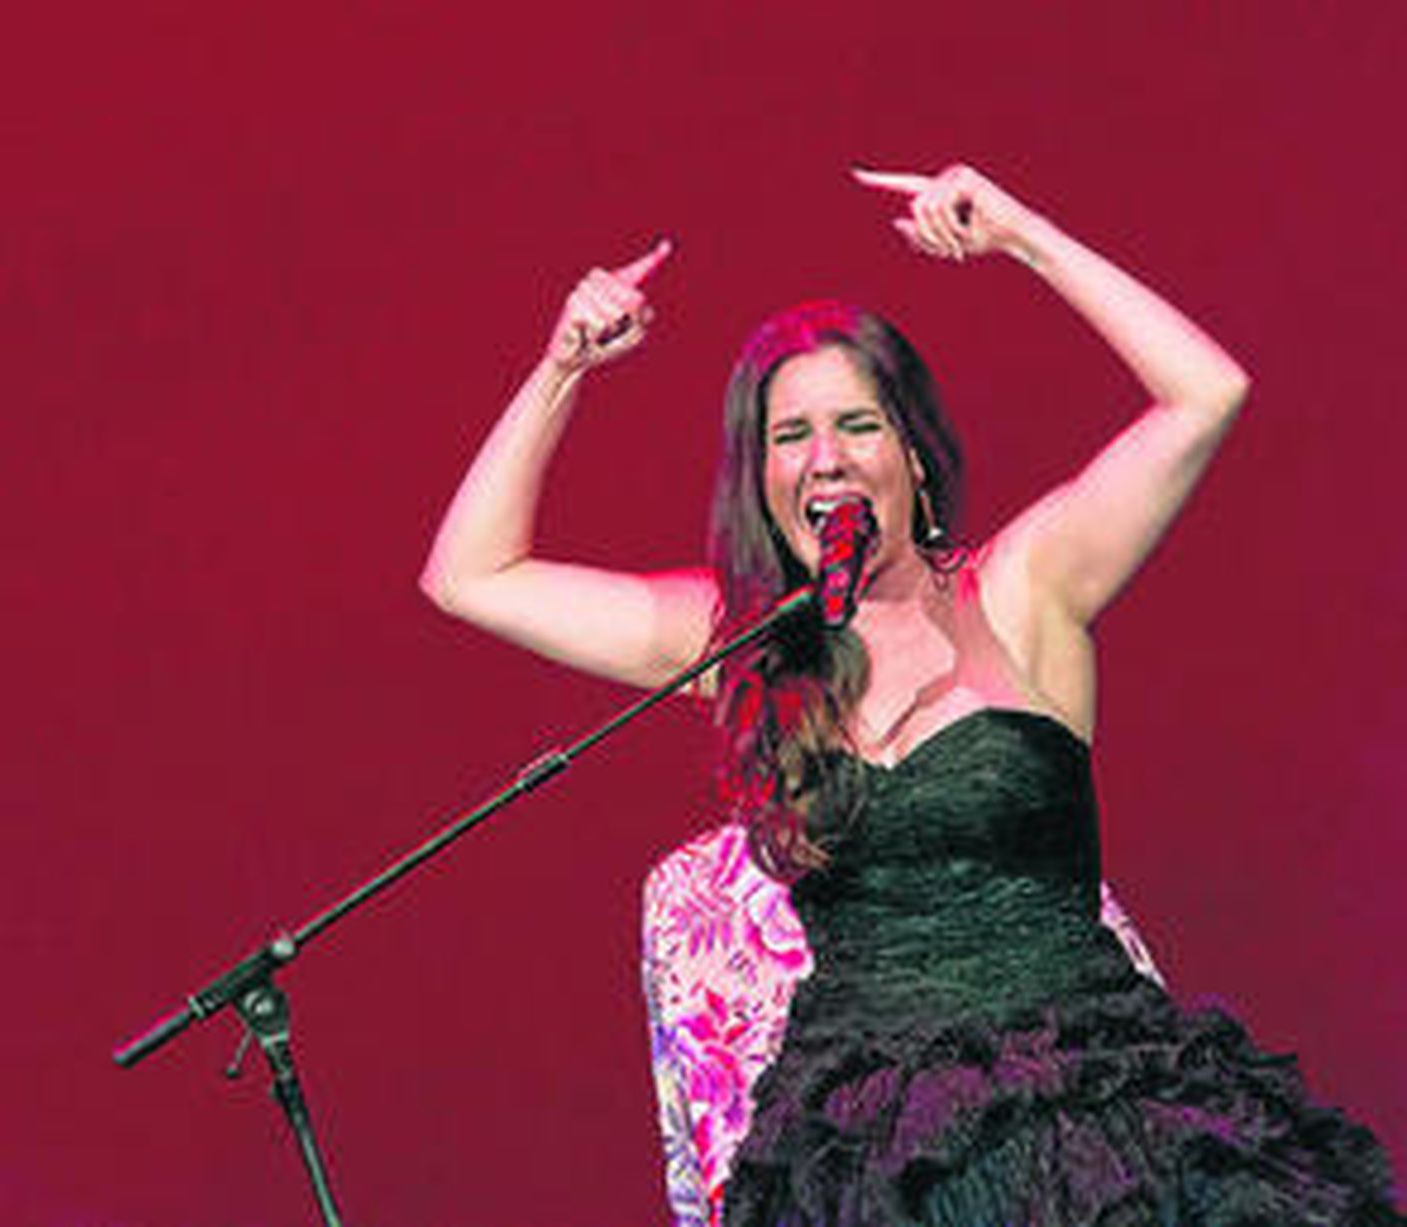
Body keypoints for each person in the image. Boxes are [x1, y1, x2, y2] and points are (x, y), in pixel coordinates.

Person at [421, 164, 1402, 1224]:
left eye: (856, 426)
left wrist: (1022, 236)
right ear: (760, 481)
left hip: (1091, 1106)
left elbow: (1205, 395)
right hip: (874, 1149)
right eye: (789, 438)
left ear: (913, 458)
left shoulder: (1021, 590)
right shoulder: (744, 642)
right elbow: (470, 574)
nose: (825, 460)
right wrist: (561, 367)